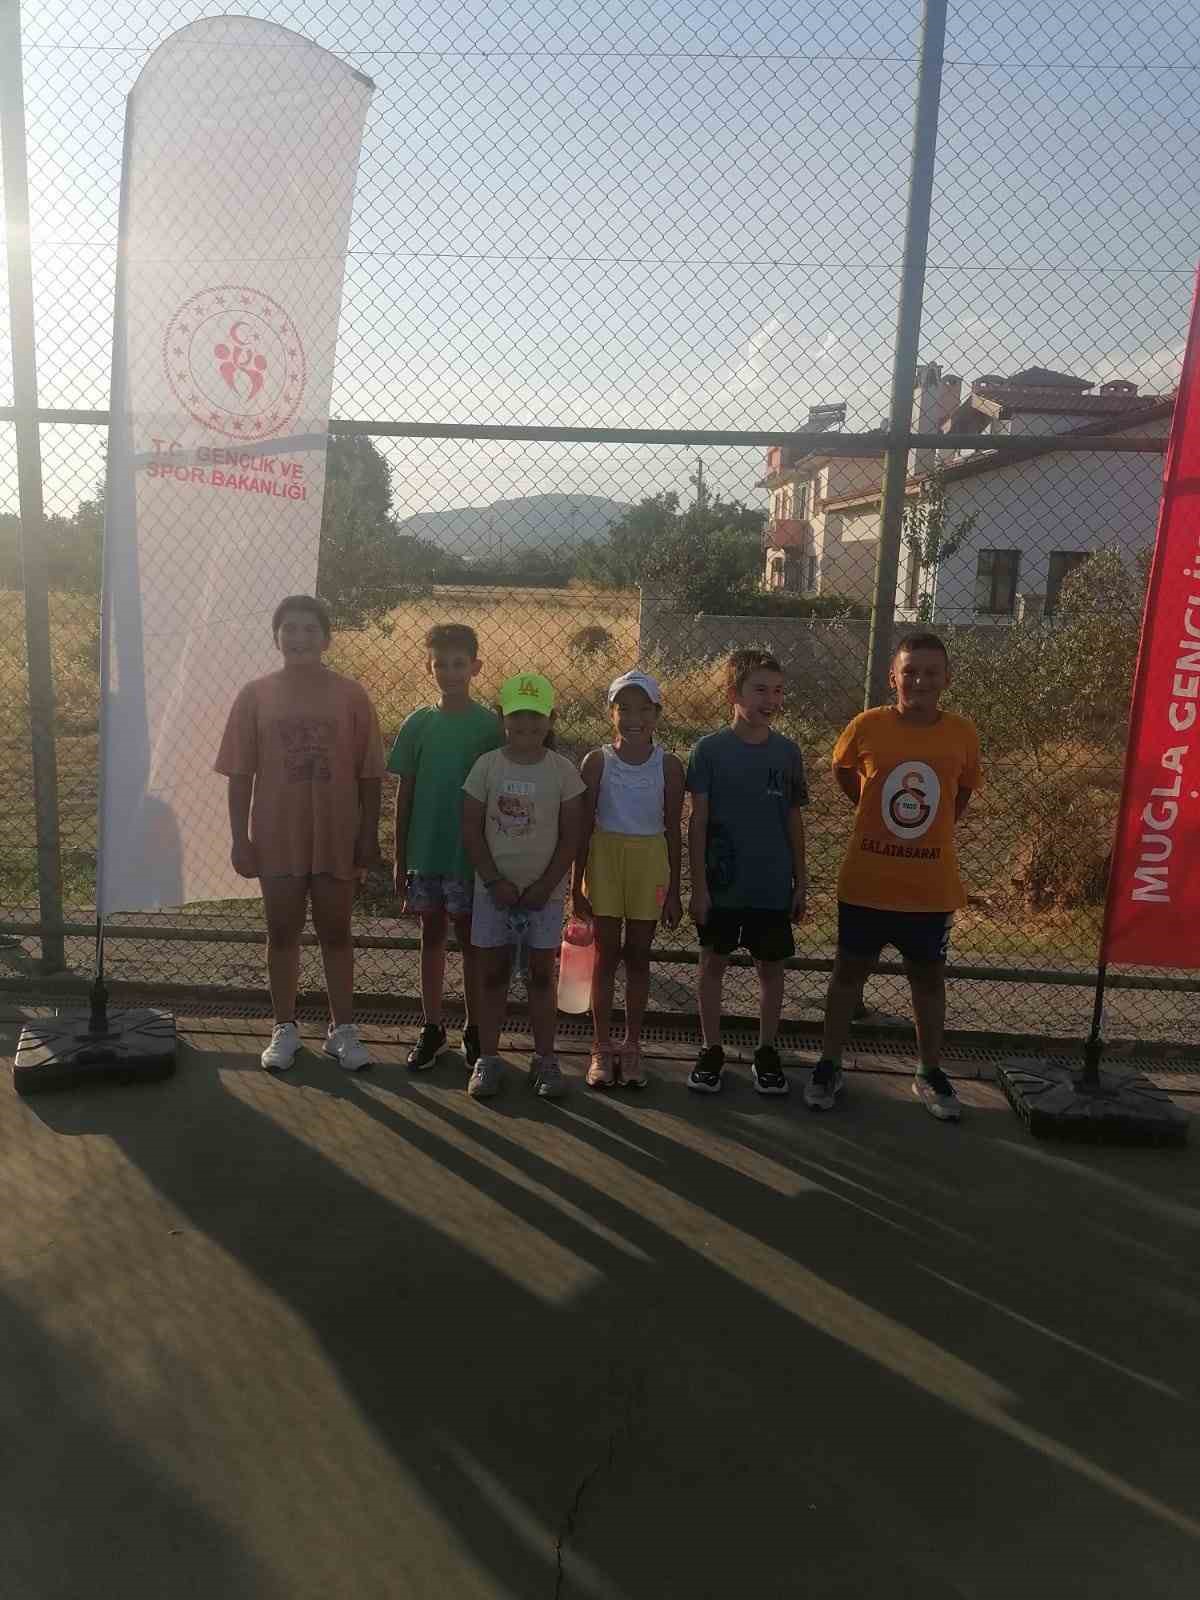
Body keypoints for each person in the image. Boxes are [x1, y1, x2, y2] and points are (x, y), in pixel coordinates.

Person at [807, 632, 982, 1122]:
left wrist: (932, 828)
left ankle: (929, 1071)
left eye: (930, 672)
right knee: (847, 975)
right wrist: (870, 811)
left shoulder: (962, 733)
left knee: (927, 981)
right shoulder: (866, 726)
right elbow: (843, 771)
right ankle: (829, 1064)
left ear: (947, 678)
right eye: (910, 672)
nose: (920, 681)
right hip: (867, 882)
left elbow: (961, 794)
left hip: (930, 890)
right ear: (893, 678)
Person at [216, 594, 383, 1072]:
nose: (300, 637)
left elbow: (370, 773)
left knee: (336, 932)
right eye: (289, 628)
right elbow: (239, 773)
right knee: (282, 931)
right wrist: (240, 838)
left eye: (310, 629)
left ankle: (342, 1030)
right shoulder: (255, 695)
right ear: (276, 638)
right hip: (277, 834)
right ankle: (284, 1028)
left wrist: (367, 835)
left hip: (336, 833)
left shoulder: (351, 695)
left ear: (327, 638)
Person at [685, 649, 808, 1096]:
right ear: (732, 693)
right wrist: (699, 887)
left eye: (777, 691)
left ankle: (767, 1050)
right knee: (712, 964)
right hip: (722, 885)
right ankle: (711, 1048)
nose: (770, 700)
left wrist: (801, 880)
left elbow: (793, 818)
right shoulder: (708, 751)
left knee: (771, 969)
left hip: (771, 885)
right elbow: (698, 821)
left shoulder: (787, 753)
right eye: (760, 690)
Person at [461, 672, 585, 1100]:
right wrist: (493, 880)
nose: (527, 725)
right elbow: (471, 828)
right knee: (493, 974)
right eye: (517, 716)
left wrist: (546, 885)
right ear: (502, 718)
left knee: (540, 976)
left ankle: (545, 1059)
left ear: (551, 719)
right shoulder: (487, 766)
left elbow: (571, 835)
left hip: (543, 897)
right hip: (493, 893)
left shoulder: (562, 771)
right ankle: (488, 1058)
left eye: (536, 717)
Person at [389, 623, 501, 1072]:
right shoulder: (417, 724)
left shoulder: (490, 728)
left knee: (472, 941)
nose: (450, 673)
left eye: (458, 664)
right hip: (426, 855)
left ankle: (475, 1028)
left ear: (475, 667)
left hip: (468, 857)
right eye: (441, 665)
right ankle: (433, 1027)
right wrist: (400, 857)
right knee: (431, 935)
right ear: (428, 667)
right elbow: (404, 795)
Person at [572, 670, 684, 1089]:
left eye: (644, 709)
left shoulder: (669, 766)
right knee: (605, 955)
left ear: (657, 714)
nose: (634, 718)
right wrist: (575, 886)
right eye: (624, 709)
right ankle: (601, 1046)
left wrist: (674, 890)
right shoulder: (597, 762)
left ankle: (632, 1044)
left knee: (638, 955)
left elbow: (673, 830)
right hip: (605, 860)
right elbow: (583, 828)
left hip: (649, 863)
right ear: (611, 713)